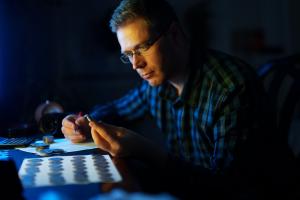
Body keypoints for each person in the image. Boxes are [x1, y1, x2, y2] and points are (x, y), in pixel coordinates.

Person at [61, 0, 278, 199]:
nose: (136, 64)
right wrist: (82, 122)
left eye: (142, 48)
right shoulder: (156, 84)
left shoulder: (231, 87)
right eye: (128, 54)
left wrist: (144, 149)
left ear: (174, 34)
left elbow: (227, 187)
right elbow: (115, 110)